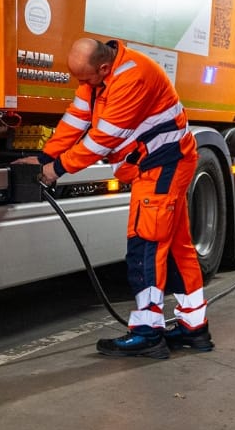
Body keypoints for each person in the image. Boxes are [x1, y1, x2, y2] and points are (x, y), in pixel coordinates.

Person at [19, 37, 212, 358]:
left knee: (145, 245)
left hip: (161, 165)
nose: (82, 85)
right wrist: (43, 157)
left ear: (104, 67)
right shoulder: (97, 79)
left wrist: (55, 169)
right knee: (176, 247)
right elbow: (76, 120)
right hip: (163, 165)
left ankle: (148, 333)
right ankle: (194, 328)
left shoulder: (133, 77)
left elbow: (102, 140)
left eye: (85, 79)